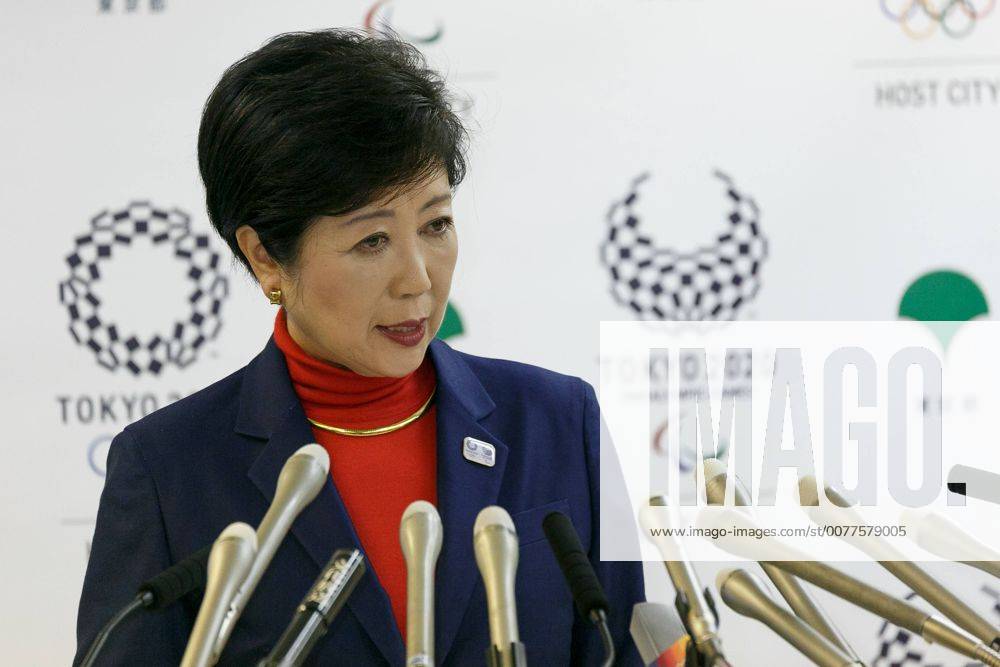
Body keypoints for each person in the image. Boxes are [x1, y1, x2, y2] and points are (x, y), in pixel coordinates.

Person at [74, 28, 645, 665]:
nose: (419, 278)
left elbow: (622, 645)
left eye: (436, 224)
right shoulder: (168, 472)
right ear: (265, 256)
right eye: (372, 241)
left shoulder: (562, 423)